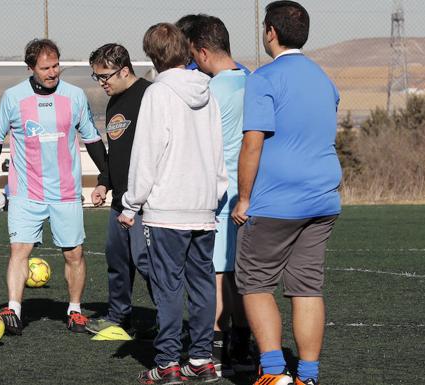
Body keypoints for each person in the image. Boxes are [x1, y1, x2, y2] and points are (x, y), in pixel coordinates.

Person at [231, 2, 342, 385]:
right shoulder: (324, 78)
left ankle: (274, 371)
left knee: (256, 284)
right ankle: (307, 376)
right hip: (323, 198)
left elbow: (252, 144)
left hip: (277, 201)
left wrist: (244, 199)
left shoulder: (264, 78)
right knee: (307, 288)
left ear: (270, 32)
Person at [119, 23, 227, 384]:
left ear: (152, 55)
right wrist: (215, 193)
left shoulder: (157, 94)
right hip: (203, 207)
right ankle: (200, 359)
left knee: (168, 287)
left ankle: (166, 363)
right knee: (202, 284)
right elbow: (218, 148)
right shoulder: (208, 90)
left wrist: (130, 204)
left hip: (168, 209)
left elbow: (146, 154)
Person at [0, 39, 107, 336]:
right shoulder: (13, 97)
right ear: (31, 69)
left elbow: (92, 139)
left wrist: (106, 178)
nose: (53, 73)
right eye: (45, 68)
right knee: (19, 250)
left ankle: (74, 311)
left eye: (56, 65)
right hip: (26, 191)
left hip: (65, 192)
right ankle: (14, 309)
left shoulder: (75, 96)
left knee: (74, 254)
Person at [181, 14, 255, 377]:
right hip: (256, 194)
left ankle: (223, 342)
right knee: (246, 274)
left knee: (219, 273)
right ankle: (242, 340)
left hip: (222, 196)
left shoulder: (212, 91)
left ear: (203, 51)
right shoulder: (254, 82)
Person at [85, 43, 154, 335]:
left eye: (105, 76)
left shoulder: (150, 96)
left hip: (145, 202)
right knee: (117, 261)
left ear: (124, 70)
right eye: (96, 77)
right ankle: (118, 316)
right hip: (119, 200)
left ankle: (167, 321)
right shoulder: (114, 101)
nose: (102, 83)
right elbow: (117, 151)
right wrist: (104, 181)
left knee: (148, 264)